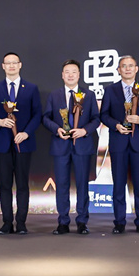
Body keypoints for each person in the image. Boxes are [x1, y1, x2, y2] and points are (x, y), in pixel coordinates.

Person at [0, 52, 42, 234]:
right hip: (2, 143)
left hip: (23, 142)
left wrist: (26, 133)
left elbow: (37, 115)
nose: (11, 66)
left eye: (14, 63)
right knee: (5, 185)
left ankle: (21, 222)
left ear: (20, 65)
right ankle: (7, 222)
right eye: (7, 63)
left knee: (23, 184)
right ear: (3, 66)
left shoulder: (31, 88)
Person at [99, 55, 139, 233]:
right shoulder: (111, 90)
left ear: (136, 69)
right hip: (119, 142)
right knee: (118, 184)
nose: (127, 69)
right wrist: (116, 125)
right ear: (118, 70)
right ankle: (119, 222)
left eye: (131, 66)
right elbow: (104, 115)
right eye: (124, 66)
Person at [42, 60, 100, 235]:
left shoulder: (89, 95)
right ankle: (63, 221)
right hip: (60, 145)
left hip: (82, 145)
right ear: (62, 75)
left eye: (74, 71)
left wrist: (84, 131)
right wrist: (57, 129)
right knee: (61, 185)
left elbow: (96, 119)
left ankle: (82, 221)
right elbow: (46, 118)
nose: (70, 75)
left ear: (79, 75)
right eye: (67, 72)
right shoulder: (54, 95)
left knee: (82, 185)